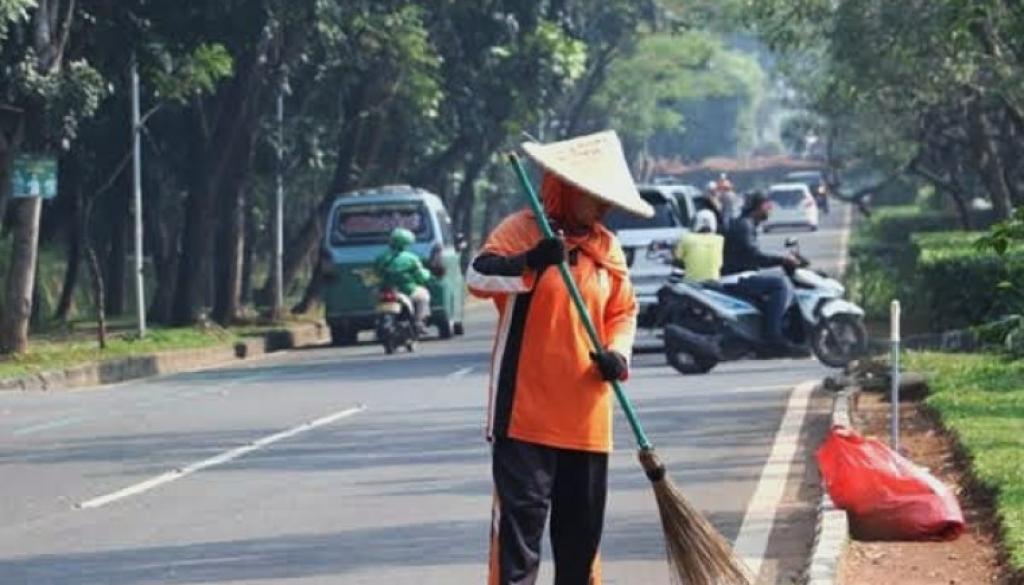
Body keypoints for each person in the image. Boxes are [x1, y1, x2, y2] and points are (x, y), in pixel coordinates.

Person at [466, 130, 648, 585]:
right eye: (594, 196)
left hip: (587, 421)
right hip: (524, 418)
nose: (603, 208)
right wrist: (531, 261)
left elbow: (624, 311)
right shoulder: (522, 230)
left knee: (579, 546)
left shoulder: (607, 248)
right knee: (519, 545)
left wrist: (618, 356)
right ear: (565, 188)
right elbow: (478, 276)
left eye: (608, 200)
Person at [722, 191, 803, 356]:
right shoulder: (744, 226)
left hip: (743, 275)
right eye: (767, 205)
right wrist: (782, 260)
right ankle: (773, 336)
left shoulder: (746, 225)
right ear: (757, 207)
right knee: (779, 284)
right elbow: (755, 255)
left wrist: (781, 258)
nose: (770, 209)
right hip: (737, 278)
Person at [374, 227, 432, 332]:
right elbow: (421, 276)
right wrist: (427, 275)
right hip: (408, 290)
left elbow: (376, 273)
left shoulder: (381, 257)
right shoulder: (412, 258)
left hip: (385, 290)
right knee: (423, 296)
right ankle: (418, 322)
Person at [675, 209, 724, 282]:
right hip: (714, 282)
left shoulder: (686, 238)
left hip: (691, 282)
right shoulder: (720, 240)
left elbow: (678, 257)